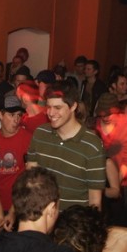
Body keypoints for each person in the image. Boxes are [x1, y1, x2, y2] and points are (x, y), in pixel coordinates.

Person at [26, 80, 106, 210]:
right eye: (48, 107)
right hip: (40, 216)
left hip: (73, 221)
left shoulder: (92, 145)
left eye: (57, 108)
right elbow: (30, 180)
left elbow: (95, 201)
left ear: (73, 106)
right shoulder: (40, 133)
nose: (51, 113)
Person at [0, 94, 32, 229]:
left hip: (19, 205)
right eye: (11, 114)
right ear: (0, 115)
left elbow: (29, 178)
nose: (16, 120)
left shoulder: (28, 139)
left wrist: (12, 211)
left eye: (19, 115)